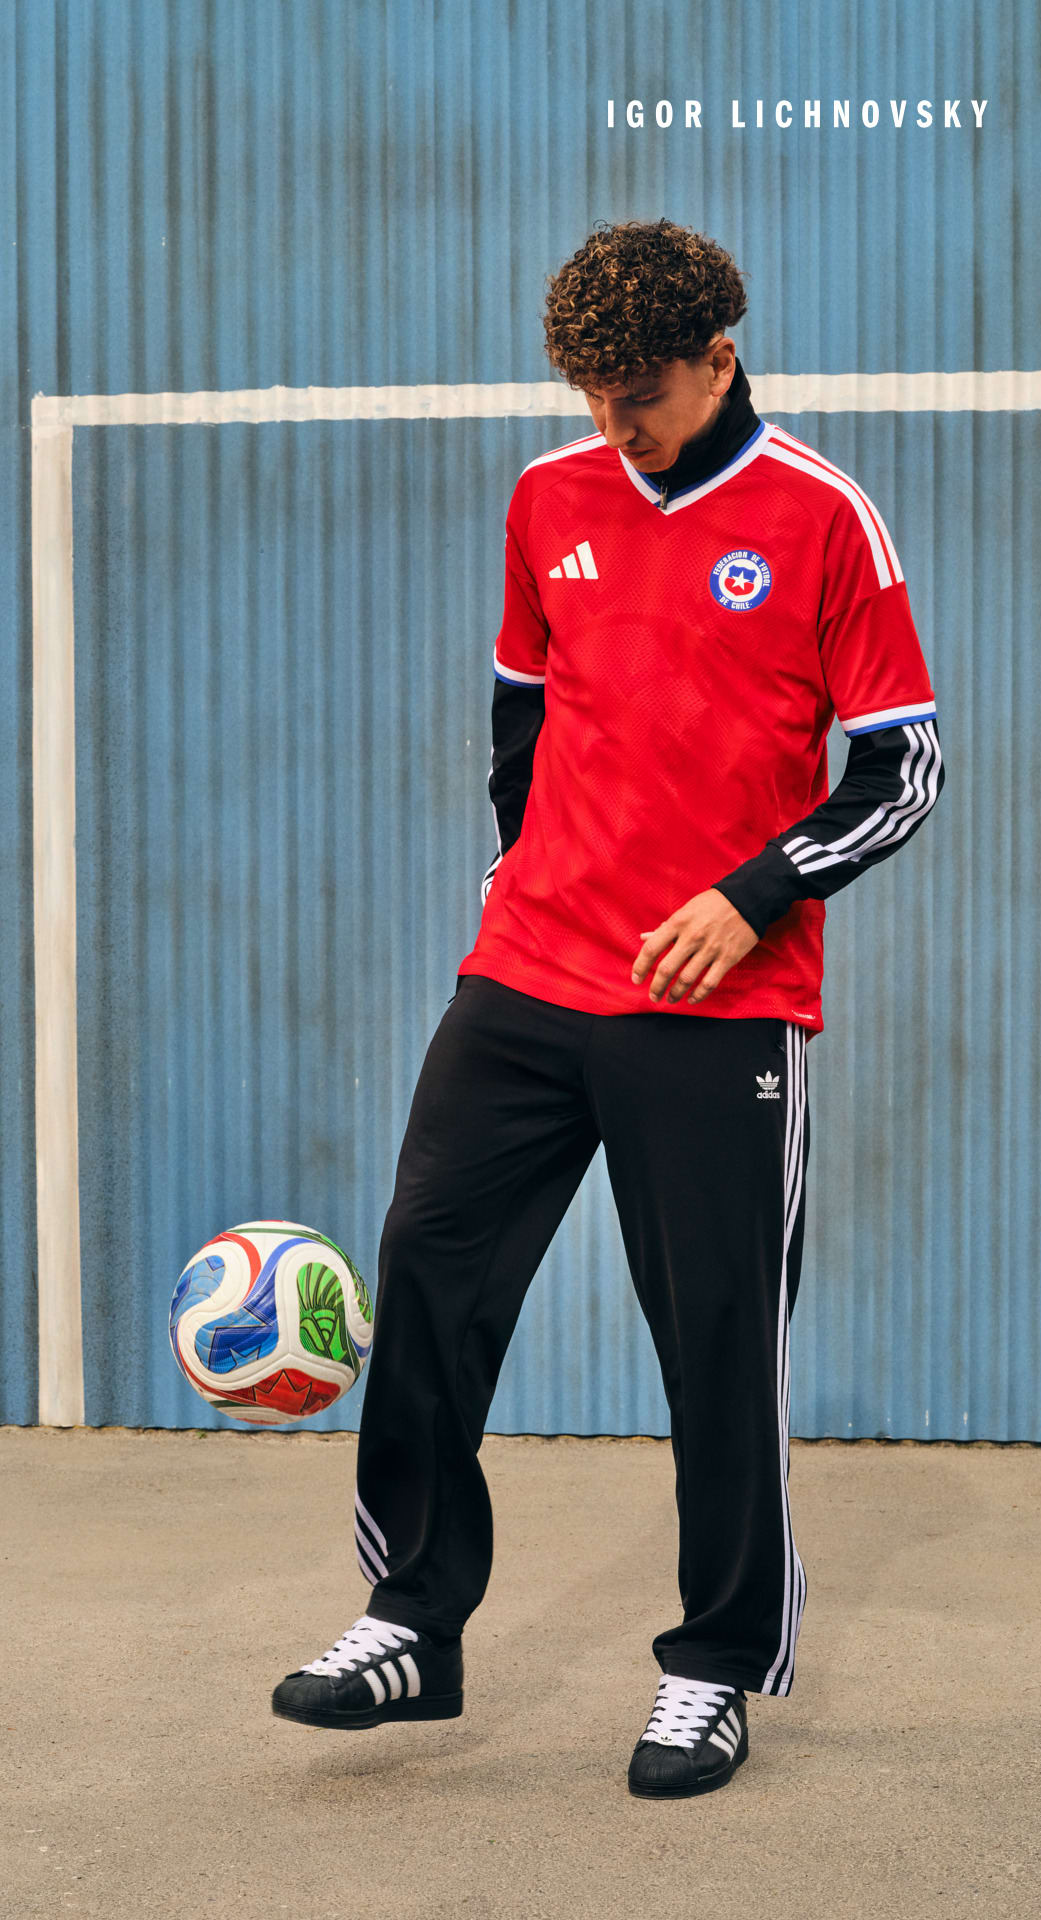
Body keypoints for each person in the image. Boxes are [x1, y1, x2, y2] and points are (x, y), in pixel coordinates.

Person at [272, 217, 944, 1799]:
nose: (608, 425)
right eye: (586, 392)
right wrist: (522, 884)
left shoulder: (821, 519)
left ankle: (714, 1668)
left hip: (720, 1008)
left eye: (636, 392)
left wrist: (751, 894)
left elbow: (902, 768)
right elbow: (518, 722)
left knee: (717, 1343)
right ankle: (412, 1620)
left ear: (720, 357)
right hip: (527, 976)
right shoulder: (547, 501)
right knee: (429, 1274)